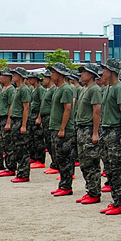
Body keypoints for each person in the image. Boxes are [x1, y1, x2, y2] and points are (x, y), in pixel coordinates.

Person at [92, 59, 121, 214]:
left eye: (105, 70)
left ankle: (120, 202)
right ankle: (115, 200)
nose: (103, 73)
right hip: (107, 131)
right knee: (109, 167)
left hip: (115, 132)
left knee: (117, 168)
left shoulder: (119, 88)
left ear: (112, 71)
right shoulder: (108, 88)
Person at [73, 65, 104, 203]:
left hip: (89, 128)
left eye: (84, 72)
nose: (82, 74)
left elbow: (97, 111)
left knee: (91, 162)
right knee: (84, 162)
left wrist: (95, 132)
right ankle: (90, 190)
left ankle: (95, 192)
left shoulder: (95, 90)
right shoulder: (85, 89)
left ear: (91, 75)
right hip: (81, 128)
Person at [46, 66, 77, 195]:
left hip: (63, 129)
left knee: (65, 159)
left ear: (59, 75)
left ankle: (66, 186)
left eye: (53, 72)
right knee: (59, 158)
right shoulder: (58, 89)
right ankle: (63, 184)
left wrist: (62, 128)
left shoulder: (66, 89)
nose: (51, 75)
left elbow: (68, 109)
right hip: (55, 128)